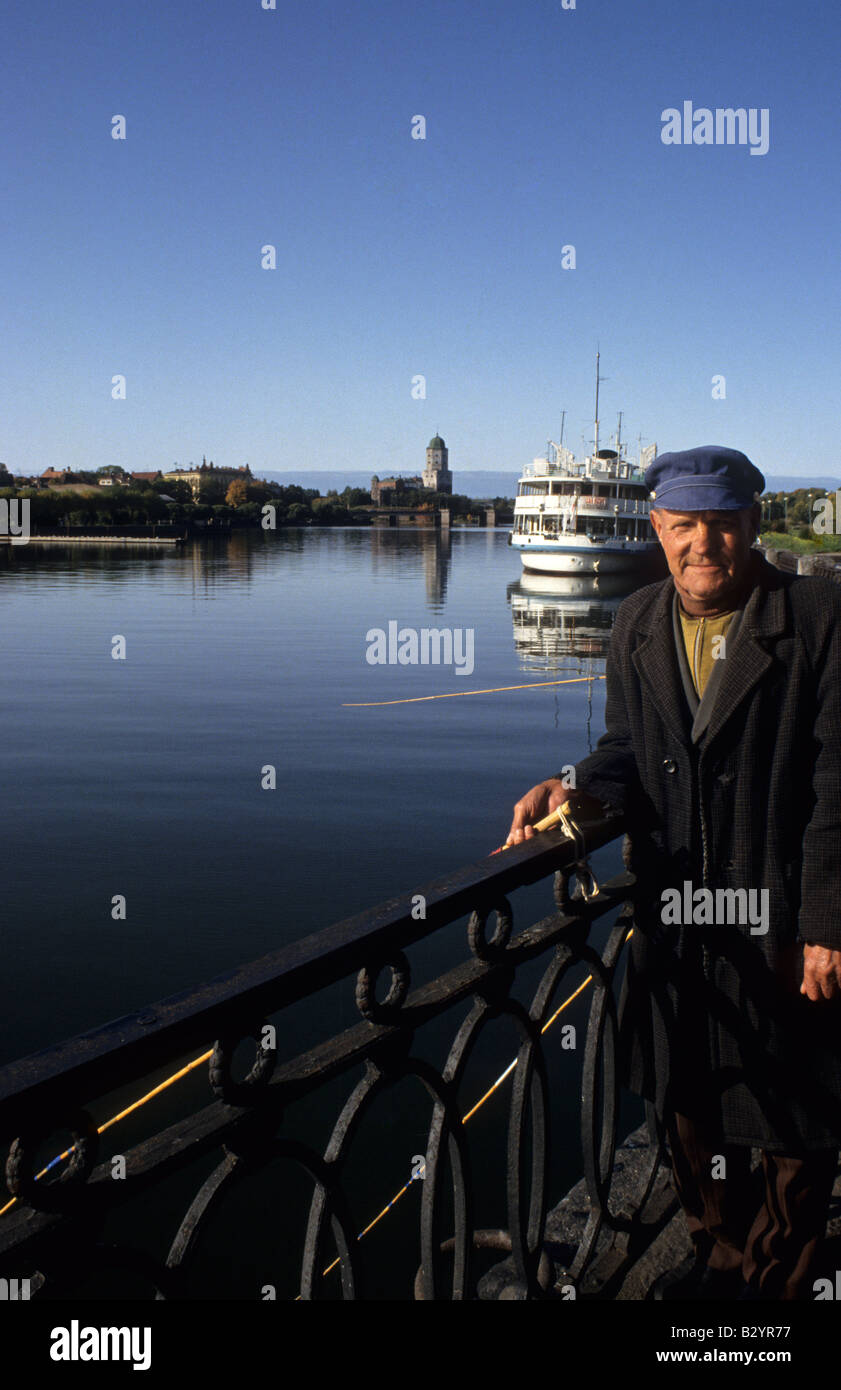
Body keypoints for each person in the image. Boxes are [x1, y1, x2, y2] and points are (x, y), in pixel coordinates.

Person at [506, 446, 841, 1301]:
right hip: (680, 920)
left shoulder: (819, 615)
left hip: (777, 914)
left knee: (797, 1118)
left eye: (720, 524)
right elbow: (624, 748)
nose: (702, 543)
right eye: (683, 525)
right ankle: (719, 1263)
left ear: (751, 526)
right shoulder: (636, 621)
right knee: (690, 1105)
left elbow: (839, 783)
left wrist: (825, 924)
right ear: (655, 528)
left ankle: (774, 1295)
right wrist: (572, 788)